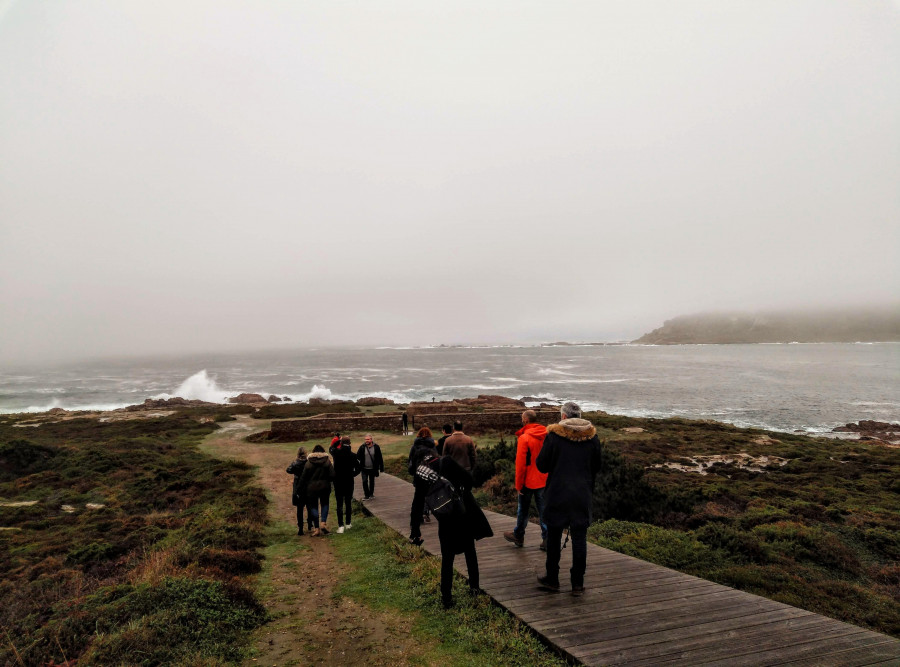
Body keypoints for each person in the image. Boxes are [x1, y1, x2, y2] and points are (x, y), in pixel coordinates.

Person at [535, 402, 603, 596]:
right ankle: (577, 583)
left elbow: (541, 465)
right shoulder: (592, 438)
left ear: (564, 418)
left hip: (557, 493)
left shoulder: (554, 437)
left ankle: (552, 579)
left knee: (554, 537)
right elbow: (597, 466)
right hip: (582, 494)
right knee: (580, 539)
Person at [416, 454, 493, 609]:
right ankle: (474, 588)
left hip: (446, 521)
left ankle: (447, 598)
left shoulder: (428, 474)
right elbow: (470, 481)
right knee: (470, 553)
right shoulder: (449, 462)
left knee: (447, 559)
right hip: (463, 516)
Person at [504, 410, 549, 550]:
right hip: (544, 478)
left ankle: (519, 535)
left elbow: (521, 464)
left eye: (522, 418)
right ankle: (547, 539)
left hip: (528, 481)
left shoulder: (524, 438)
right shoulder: (547, 435)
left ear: (525, 420)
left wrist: (518, 484)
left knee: (523, 510)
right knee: (544, 510)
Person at [407, 427, 439, 545]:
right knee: (433, 498)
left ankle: (415, 530)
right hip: (430, 478)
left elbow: (410, 462)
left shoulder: (415, 446)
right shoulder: (432, 446)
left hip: (419, 477)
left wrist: (414, 473)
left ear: (419, 435)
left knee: (417, 502)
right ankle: (427, 513)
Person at [300, 444, 335, 537]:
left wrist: (301, 488)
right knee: (325, 504)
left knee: (313, 506)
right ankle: (323, 523)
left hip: (311, 488)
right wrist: (327, 480)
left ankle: (316, 529)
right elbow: (332, 475)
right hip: (324, 487)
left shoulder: (308, 463)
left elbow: (303, 477)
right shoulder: (327, 462)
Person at [330, 435, 361, 534]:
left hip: (338, 481)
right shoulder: (353, 455)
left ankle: (340, 526)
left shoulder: (336, 453)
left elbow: (331, 448)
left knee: (339, 504)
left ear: (341, 443)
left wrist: (338, 441)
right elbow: (359, 468)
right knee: (348, 503)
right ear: (350, 443)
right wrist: (352, 474)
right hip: (348, 481)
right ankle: (348, 523)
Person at [286, 446, 310, 535]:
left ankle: (300, 528)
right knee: (309, 506)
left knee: (300, 509)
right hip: (308, 486)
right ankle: (310, 523)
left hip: (298, 487)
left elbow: (288, 470)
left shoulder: (296, 463)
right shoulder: (308, 462)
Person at [356, 434, 384, 500]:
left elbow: (380, 458)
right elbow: (357, 456)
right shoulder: (362, 447)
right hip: (364, 468)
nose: (366, 441)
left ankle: (371, 494)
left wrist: (381, 467)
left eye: (368, 439)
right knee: (364, 481)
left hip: (373, 468)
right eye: (365, 439)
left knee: (371, 481)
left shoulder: (376, 447)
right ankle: (366, 495)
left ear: (371, 440)